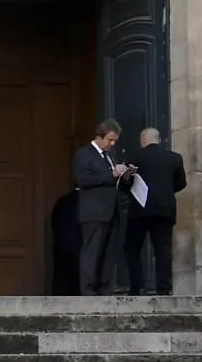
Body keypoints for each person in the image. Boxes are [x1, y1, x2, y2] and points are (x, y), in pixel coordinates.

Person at [71, 119, 132, 296]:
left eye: (114, 141)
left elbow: (112, 181)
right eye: (109, 140)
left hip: (112, 211)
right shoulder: (83, 155)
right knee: (92, 251)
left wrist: (125, 175)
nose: (112, 144)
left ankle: (105, 287)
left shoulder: (109, 156)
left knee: (108, 252)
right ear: (99, 136)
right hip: (93, 212)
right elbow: (82, 180)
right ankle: (88, 288)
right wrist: (112, 174)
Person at [125, 127, 187, 295]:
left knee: (132, 248)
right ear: (159, 139)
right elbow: (181, 183)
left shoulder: (135, 157)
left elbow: (126, 182)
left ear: (143, 141)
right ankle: (164, 289)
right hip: (164, 210)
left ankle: (137, 287)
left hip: (140, 209)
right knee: (163, 250)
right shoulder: (175, 158)